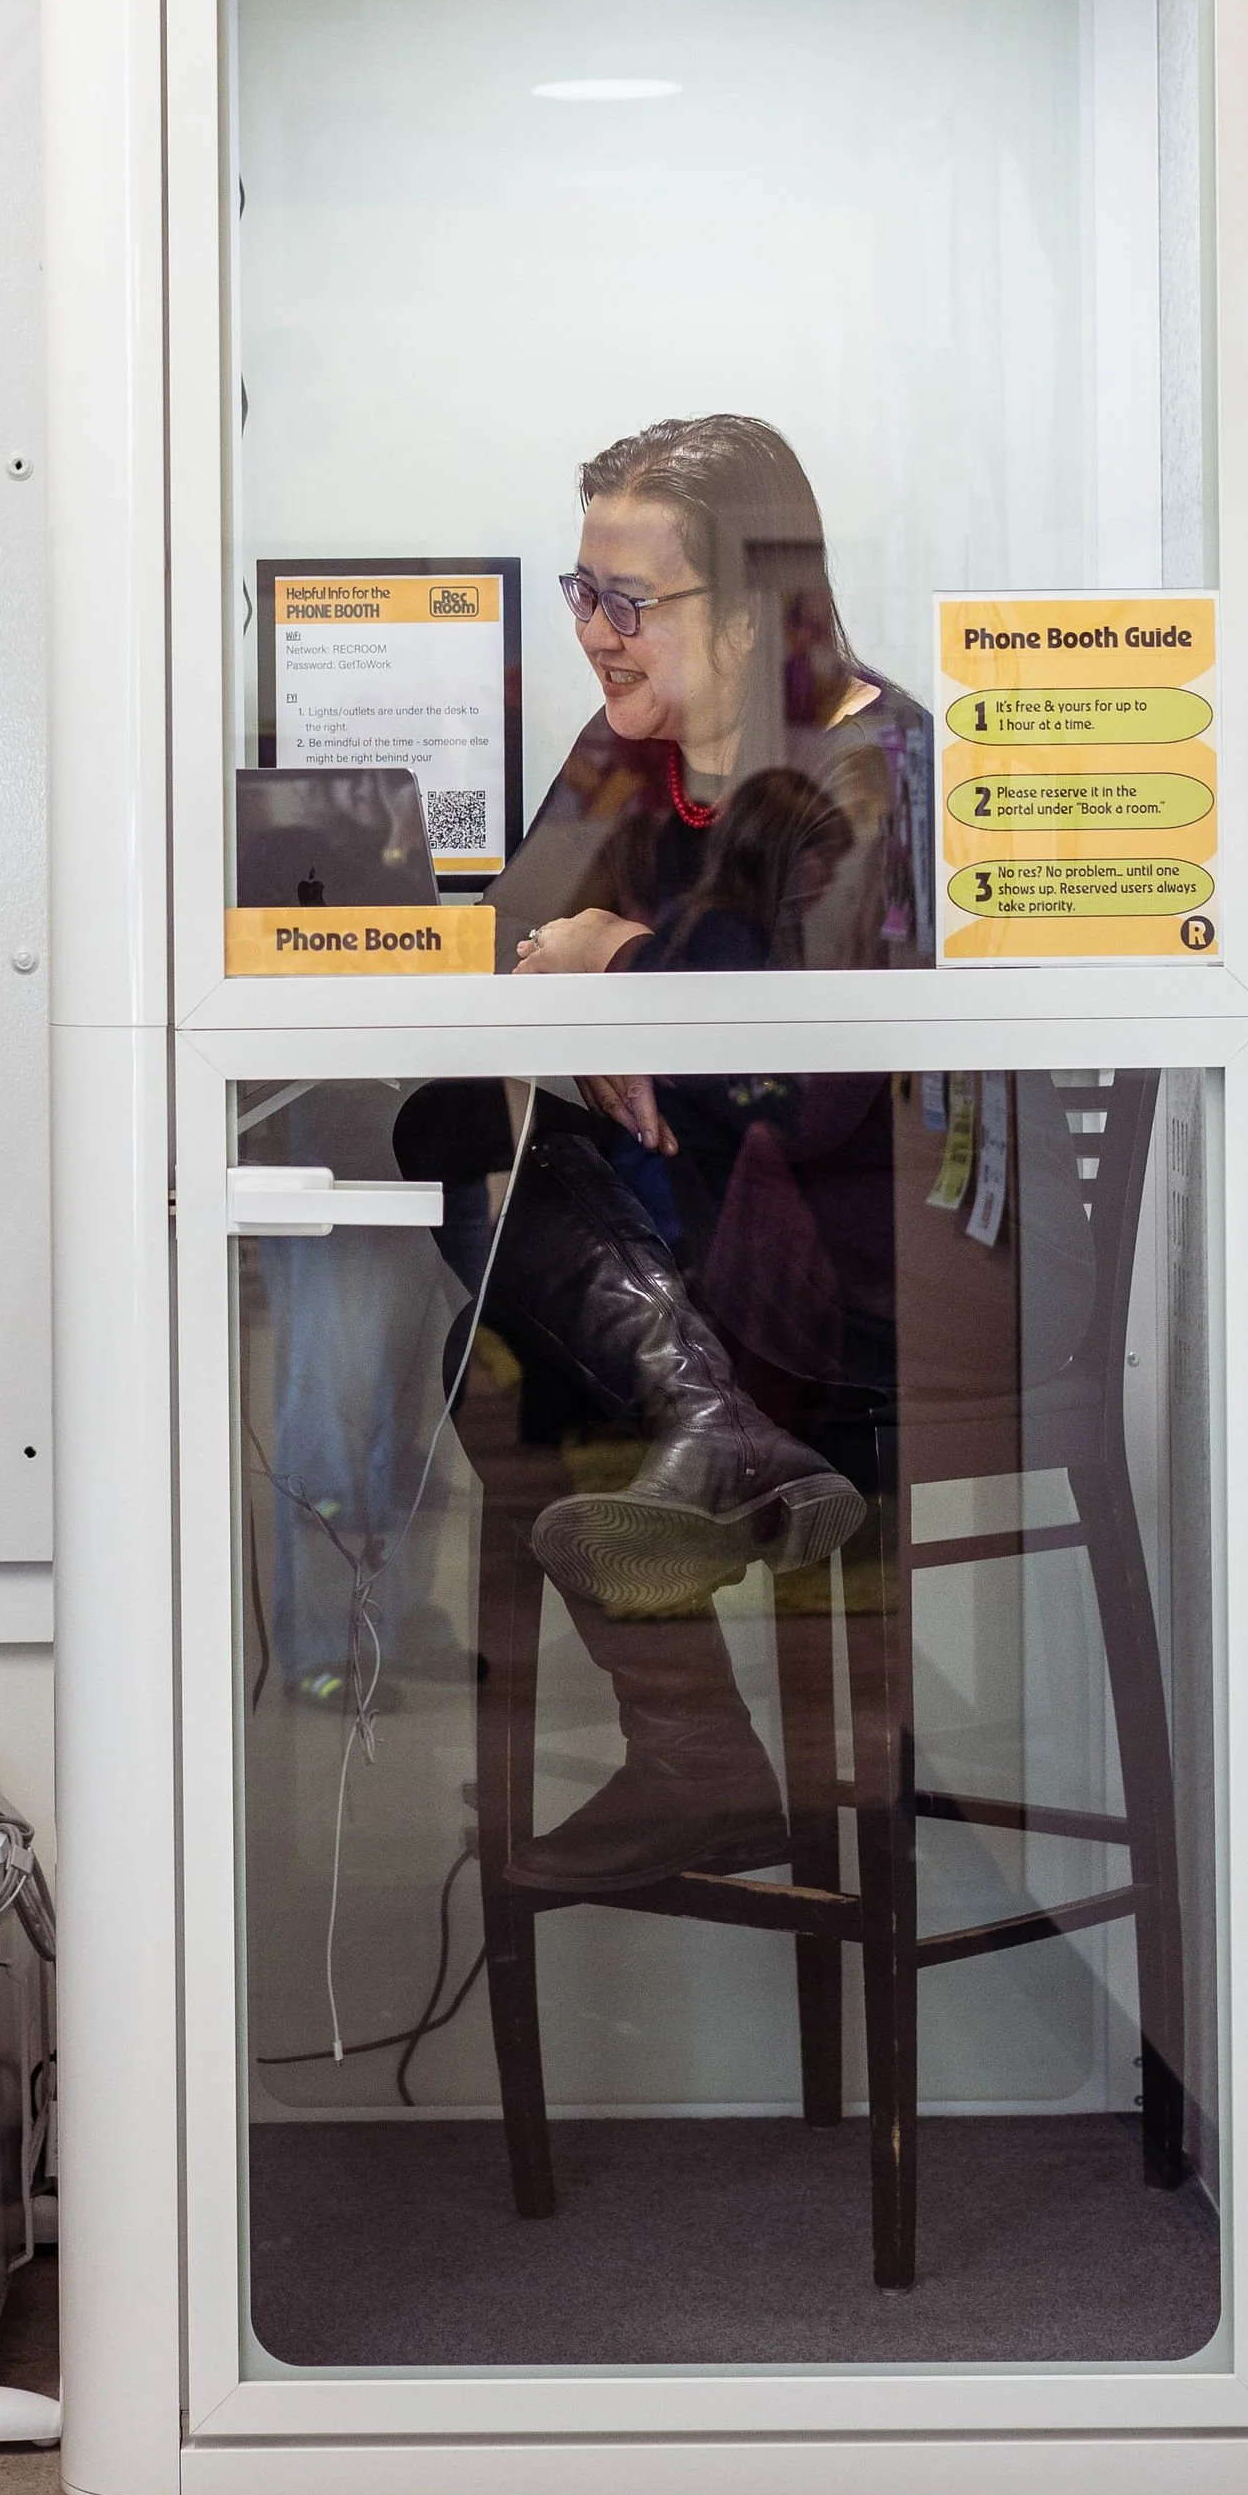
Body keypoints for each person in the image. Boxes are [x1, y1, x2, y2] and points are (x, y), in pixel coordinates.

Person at [394, 415, 939, 1894]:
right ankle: (706, 1424)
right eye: (582, 593)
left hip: (852, 1265)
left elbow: (806, 1086)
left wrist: (627, 971)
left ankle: (695, 1755)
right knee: (455, 1141)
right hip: (689, 1239)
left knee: (495, 1331)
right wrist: (587, 1010)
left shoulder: (869, 754)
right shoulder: (627, 752)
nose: (593, 636)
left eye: (627, 603)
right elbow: (510, 948)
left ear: (758, 611)